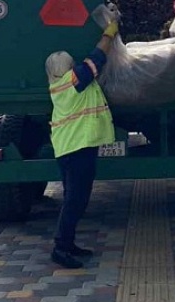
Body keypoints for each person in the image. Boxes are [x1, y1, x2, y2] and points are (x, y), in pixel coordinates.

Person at [45, 20, 120, 269]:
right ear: (66, 68)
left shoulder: (58, 85)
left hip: (68, 149)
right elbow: (97, 57)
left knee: (73, 198)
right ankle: (61, 247)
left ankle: (68, 244)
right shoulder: (73, 80)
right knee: (75, 201)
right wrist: (109, 32)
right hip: (77, 150)